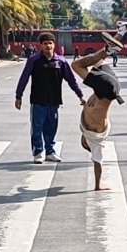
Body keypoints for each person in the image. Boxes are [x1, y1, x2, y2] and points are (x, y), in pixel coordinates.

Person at [14, 32, 85, 163]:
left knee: (51, 127)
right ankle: (38, 152)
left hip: (54, 101)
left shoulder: (61, 62)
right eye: (45, 43)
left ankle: (50, 152)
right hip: (37, 101)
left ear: (54, 44)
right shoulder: (33, 61)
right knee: (37, 128)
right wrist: (19, 96)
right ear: (40, 45)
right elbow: (24, 78)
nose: (48, 46)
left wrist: (80, 95)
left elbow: (71, 80)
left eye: (50, 43)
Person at [72, 30, 126, 191]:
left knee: (100, 59)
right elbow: (98, 163)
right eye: (83, 143)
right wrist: (97, 185)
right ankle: (108, 49)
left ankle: (123, 29)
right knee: (76, 65)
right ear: (87, 142)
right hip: (108, 89)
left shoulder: (86, 122)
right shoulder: (96, 137)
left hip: (110, 86)